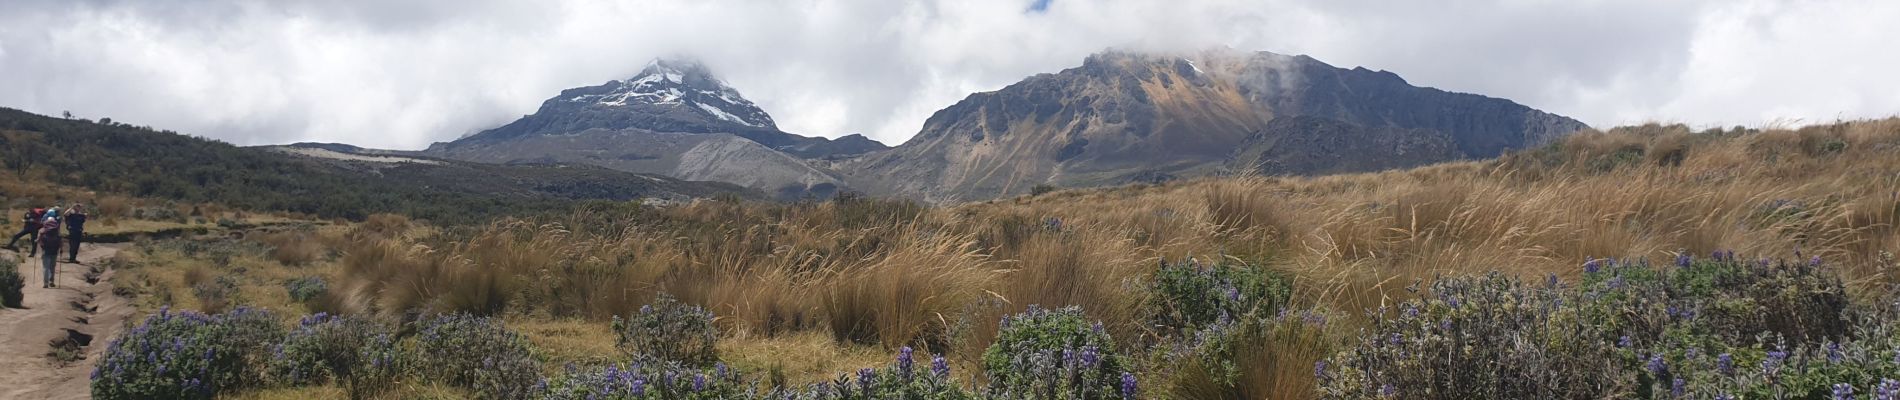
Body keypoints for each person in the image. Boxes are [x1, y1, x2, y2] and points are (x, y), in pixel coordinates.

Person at [36, 212, 62, 288]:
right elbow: (60, 240)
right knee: (52, 267)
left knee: (45, 267)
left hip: (45, 250)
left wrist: (37, 242)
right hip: (54, 250)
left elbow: (38, 240)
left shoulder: (42, 230)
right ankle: (52, 281)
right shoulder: (57, 230)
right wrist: (61, 249)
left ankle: (45, 283)